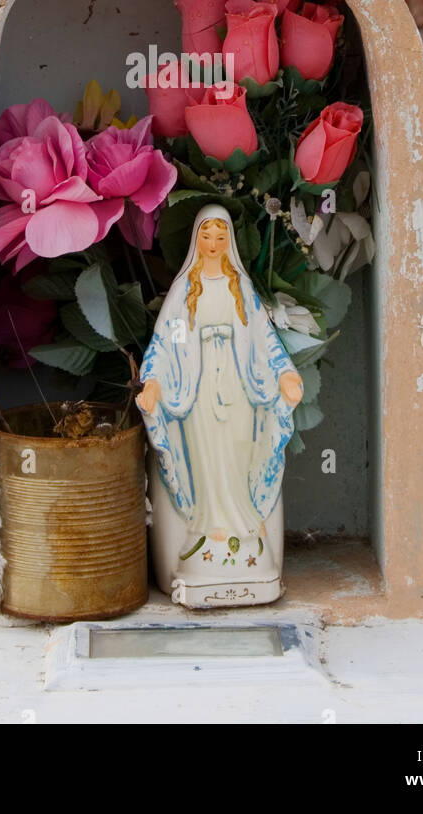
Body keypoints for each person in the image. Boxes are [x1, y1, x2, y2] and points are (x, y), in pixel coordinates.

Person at [137, 203, 302, 605]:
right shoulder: (185, 290)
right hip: (197, 388)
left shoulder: (240, 289)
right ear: (197, 241)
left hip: (239, 383)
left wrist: (284, 373)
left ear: (229, 242)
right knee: (206, 455)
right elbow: (167, 340)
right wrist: (155, 382)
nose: (213, 245)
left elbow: (263, 337)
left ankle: (244, 523)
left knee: (237, 452)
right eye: (206, 238)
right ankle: (209, 524)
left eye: (220, 238)